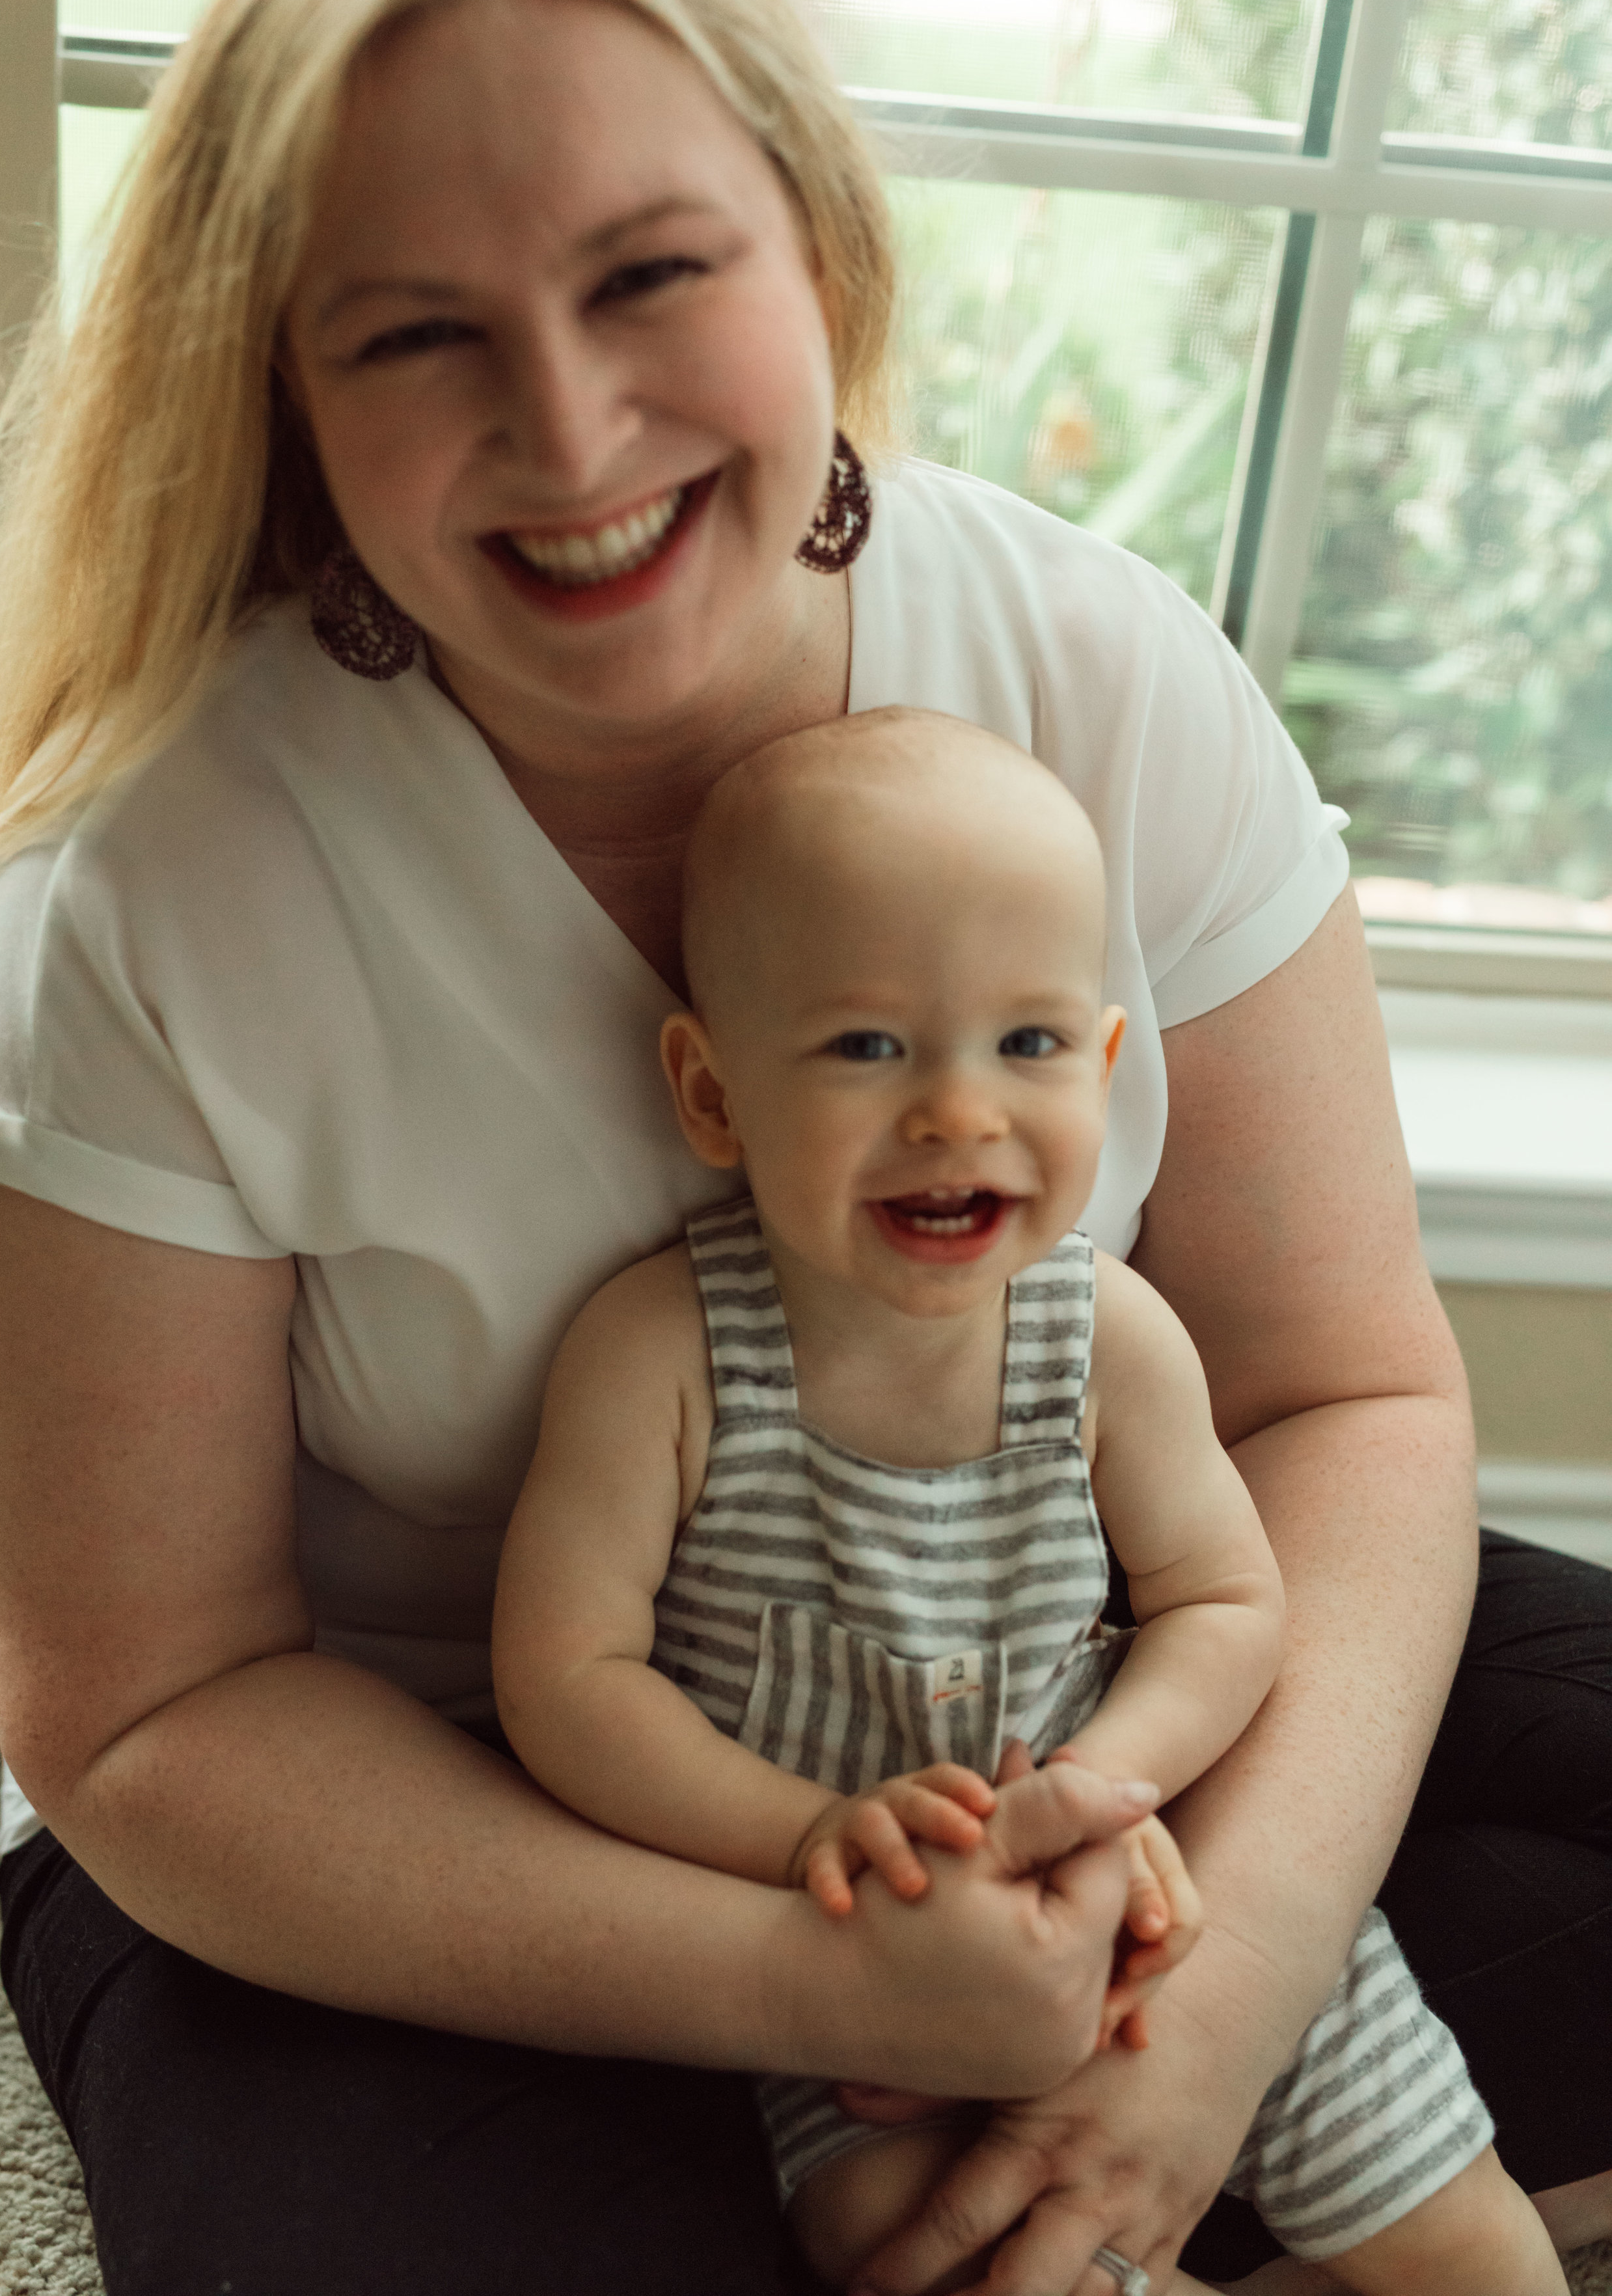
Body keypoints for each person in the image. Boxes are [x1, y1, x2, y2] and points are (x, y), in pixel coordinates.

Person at [0, 0, 1605, 2291]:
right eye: (418, 333)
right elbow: (146, 1714)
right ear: (284, 393)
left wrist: (1235, 1986)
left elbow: (1346, 1396)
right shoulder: (158, 894)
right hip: (442, 1814)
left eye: (652, 275)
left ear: (818, 246)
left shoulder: (1107, 679)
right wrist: (816, 1980)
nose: (568, 423)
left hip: (1088, 1651)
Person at [493, 706, 1567, 2296]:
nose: (957, 1112)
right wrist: (810, 1841)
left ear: (1108, 1065)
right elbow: (566, 1682)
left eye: (1028, 1045)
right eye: (867, 1047)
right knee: (896, 2244)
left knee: (1451, 2222)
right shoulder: (661, 1354)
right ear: (711, 1094)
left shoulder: (1103, 1338)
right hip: (862, 1954)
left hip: (1152, 1900)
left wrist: (1108, 1790)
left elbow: (1225, 1601)